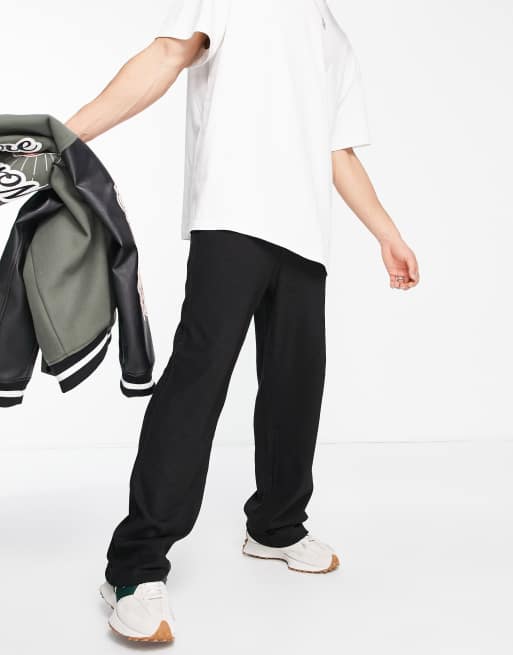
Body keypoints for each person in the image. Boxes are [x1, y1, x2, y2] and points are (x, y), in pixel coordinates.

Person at [66, 0, 419, 643]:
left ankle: (276, 527)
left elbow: (336, 149)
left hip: (305, 235)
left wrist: (386, 233)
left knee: (296, 386)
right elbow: (167, 54)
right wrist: (69, 136)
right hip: (233, 216)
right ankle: (133, 568)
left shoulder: (333, 35)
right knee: (198, 384)